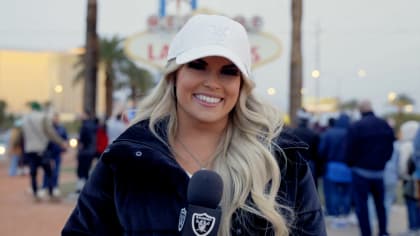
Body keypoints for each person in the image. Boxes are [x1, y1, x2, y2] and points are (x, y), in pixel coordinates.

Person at [62, 14, 326, 235]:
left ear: (241, 85)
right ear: (175, 75)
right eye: (198, 66)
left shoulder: (282, 164)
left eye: (228, 71)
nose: (212, 82)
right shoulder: (126, 159)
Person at [345, 100, 395, 236]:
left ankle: (366, 233)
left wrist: (351, 164)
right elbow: (391, 146)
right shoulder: (384, 124)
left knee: (362, 206)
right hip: (379, 172)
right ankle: (383, 231)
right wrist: (384, 162)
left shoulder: (356, 126)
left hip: (360, 172)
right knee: (380, 205)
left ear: (360, 111)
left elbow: (349, 149)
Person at [21, 102, 68, 201]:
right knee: (49, 172)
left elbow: (24, 135)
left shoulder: (25, 118)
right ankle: (51, 194)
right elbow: (50, 132)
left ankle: (35, 194)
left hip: (29, 149)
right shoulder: (43, 117)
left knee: (33, 173)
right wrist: (61, 142)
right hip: (42, 148)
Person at [318, 113, 352, 227]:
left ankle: (334, 213)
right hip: (348, 167)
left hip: (332, 165)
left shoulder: (329, 133)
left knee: (333, 192)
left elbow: (322, 150)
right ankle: (345, 212)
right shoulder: (351, 133)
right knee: (346, 192)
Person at [39, 113, 68, 197]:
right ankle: (45, 187)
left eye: (57, 118)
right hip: (48, 152)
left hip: (57, 152)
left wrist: (63, 148)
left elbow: (65, 139)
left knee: (56, 171)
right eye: (54, 118)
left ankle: (55, 187)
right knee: (47, 170)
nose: (55, 119)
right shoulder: (49, 128)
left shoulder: (62, 128)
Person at [74, 110, 98, 194]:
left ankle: (81, 189)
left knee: (81, 171)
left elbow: (83, 139)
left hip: (85, 151)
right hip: (91, 150)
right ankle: (86, 189)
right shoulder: (93, 124)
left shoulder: (85, 126)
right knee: (87, 170)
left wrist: (81, 144)